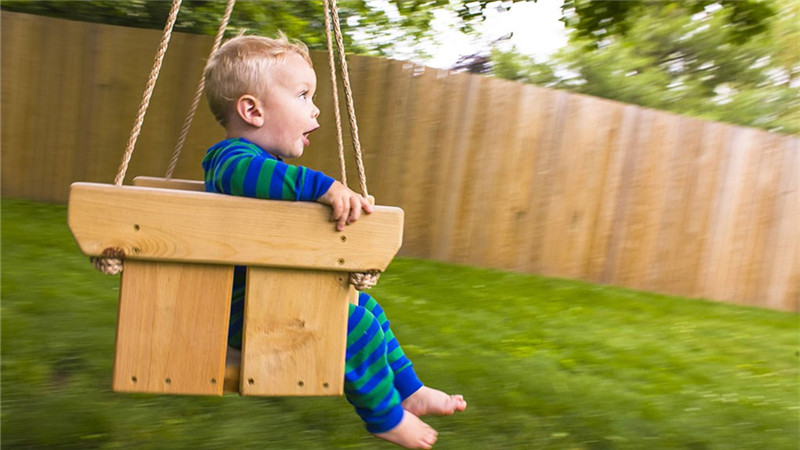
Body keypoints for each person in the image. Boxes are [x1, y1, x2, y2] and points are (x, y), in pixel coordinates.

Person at [201, 33, 467, 449]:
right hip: (243, 312)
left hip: (267, 299)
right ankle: (384, 417)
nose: (316, 107)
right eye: (303, 95)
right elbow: (251, 178)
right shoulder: (231, 160)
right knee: (353, 324)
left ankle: (410, 390)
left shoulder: (265, 168)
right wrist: (326, 188)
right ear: (252, 110)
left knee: (366, 307)